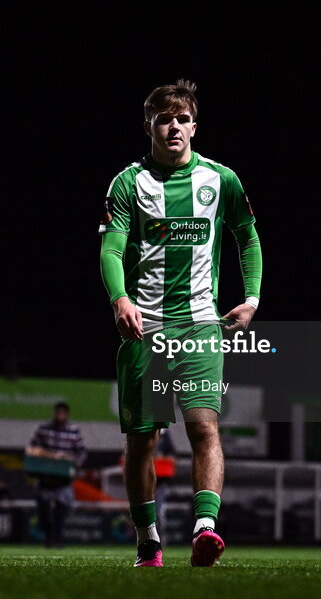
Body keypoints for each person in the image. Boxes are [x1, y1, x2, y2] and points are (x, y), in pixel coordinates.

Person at [98, 79, 262, 567]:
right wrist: (120, 298)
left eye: (183, 119)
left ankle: (205, 529)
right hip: (144, 328)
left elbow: (247, 238)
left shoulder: (221, 180)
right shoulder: (129, 183)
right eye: (164, 119)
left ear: (195, 125)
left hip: (199, 326)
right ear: (149, 124)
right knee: (142, 440)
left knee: (204, 428)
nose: (174, 127)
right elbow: (110, 248)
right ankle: (148, 539)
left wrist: (250, 298)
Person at [28, 402, 87, 548]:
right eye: (57, 413)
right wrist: (45, 458)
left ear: (66, 415)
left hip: (63, 478)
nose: (59, 416)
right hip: (45, 476)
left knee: (61, 509)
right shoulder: (44, 429)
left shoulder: (73, 431)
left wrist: (72, 463)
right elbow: (33, 448)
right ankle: (48, 536)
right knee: (43, 508)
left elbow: (81, 452)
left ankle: (57, 539)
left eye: (62, 413)